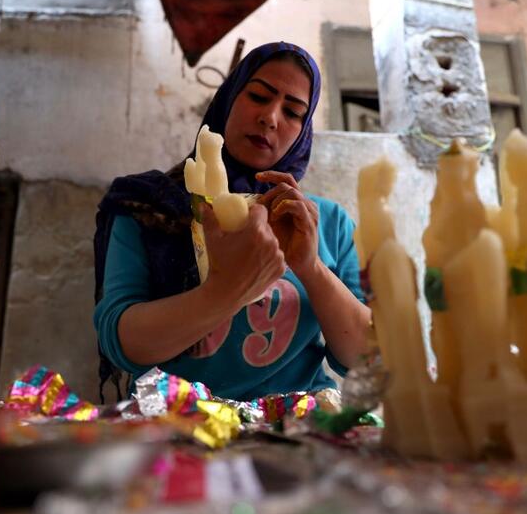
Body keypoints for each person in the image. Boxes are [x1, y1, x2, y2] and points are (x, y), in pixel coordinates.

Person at [93, 41, 370, 402]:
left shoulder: (324, 223)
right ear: (229, 99)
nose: (270, 117)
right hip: (178, 422)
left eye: (293, 112)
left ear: (303, 132)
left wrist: (312, 268)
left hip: (296, 427)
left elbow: (364, 360)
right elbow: (122, 343)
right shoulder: (148, 207)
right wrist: (225, 290)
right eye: (258, 96)